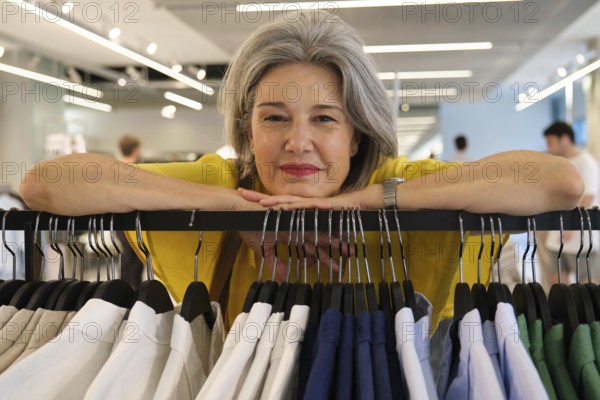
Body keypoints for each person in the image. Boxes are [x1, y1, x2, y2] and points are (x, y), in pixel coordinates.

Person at [19, 12, 582, 329]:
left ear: (357, 129)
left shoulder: (401, 179)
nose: (298, 142)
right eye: (274, 117)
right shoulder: (223, 185)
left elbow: (559, 182)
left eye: (325, 119)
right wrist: (230, 207)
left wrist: (364, 203)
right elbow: (42, 183)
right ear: (246, 127)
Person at [542, 121, 599, 283]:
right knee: (558, 282)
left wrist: (571, 225)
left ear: (564, 139)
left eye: (550, 142)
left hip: (579, 236)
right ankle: (562, 310)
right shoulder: (561, 164)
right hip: (557, 237)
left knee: (586, 284)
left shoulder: (586, 162)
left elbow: (588, 196)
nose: (548, 147)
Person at [115, 134, 145, 288]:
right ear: (136, 150)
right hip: (134, 220)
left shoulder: (115, 170)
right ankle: (133, 292)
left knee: (128, 256)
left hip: (118, 220)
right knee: (134, 258)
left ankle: (126, 291)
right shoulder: (138, 170)